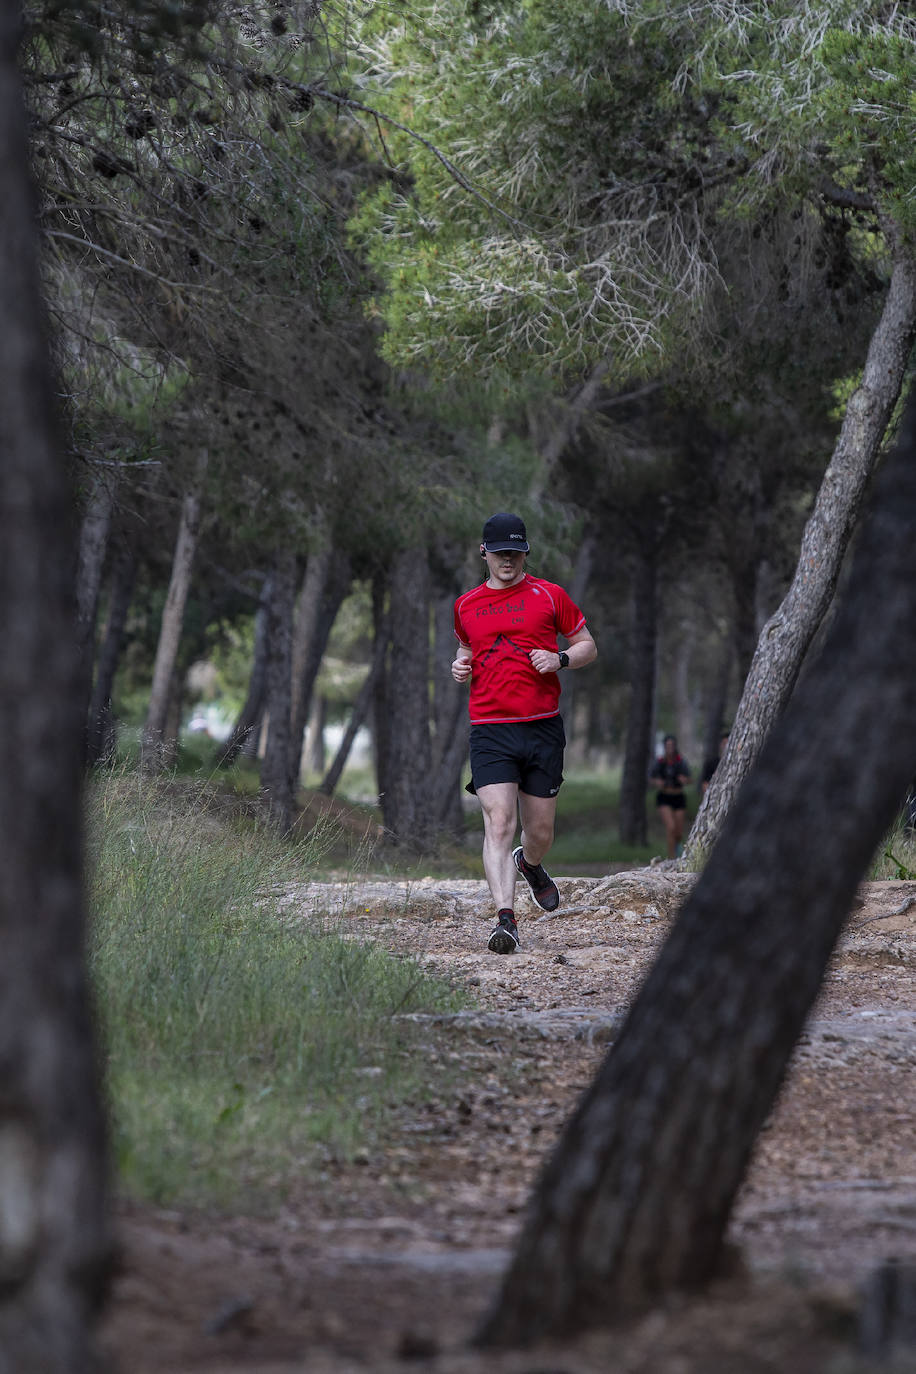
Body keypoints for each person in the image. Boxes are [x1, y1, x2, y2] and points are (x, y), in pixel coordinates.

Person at [451, 512, 597, 954]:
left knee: (539, 832)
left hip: (541, 728)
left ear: (525, 553)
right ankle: (505, 919)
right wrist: (460, 667)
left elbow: (588, 645)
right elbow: (465, 651)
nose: (508, 560)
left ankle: (530, 863)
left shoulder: (550, 596)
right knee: (499, 821)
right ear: (485, 553)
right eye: (500, 553)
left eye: (515, 552)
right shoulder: (466, 605)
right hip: (491, 729)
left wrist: (562, 660)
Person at [649, 733, 691, 859]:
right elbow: (651, 778)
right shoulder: (660, 762)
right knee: (670, 827)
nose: (670, 748)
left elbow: (690, 779)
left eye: (672, 745)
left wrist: (685, 780)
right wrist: (657, 782)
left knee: (678, 832)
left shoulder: (681, 762)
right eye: (667, 745)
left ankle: (678, 851)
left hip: (678, 797)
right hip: (664, 797)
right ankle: (671, 858)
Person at [701, 731, 730, 795]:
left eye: (728, 743)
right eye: (724, 743)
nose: (726, 746)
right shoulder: (710, 763)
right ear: (720, 745)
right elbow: (705, 785)